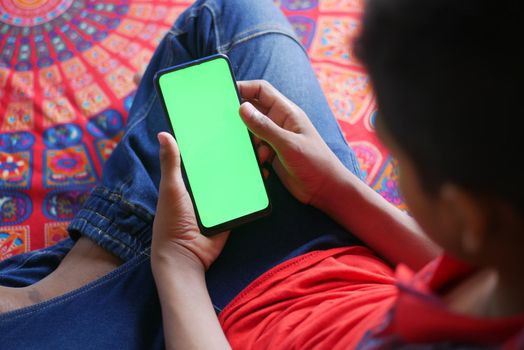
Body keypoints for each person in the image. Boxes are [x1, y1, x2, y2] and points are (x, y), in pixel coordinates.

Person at [0, 0, 522, 348]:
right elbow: (461, 265)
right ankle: (101, 270)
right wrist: (334, 188)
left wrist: (177, 265)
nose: (382, 138)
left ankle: (90, 276)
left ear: (466, 213)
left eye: (392, 135)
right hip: (324, 242)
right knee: (231, 16)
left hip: (206, 324)